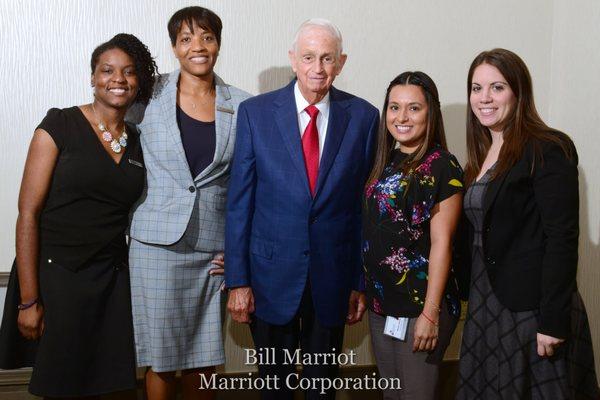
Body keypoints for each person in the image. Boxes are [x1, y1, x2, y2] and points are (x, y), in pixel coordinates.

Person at [224, 18, 379, 400]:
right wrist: (238, 280)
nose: (318, 68)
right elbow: (240, 203)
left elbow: (362, 208)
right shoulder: (255, 114)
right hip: (268, 278)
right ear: (293, 60)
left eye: (328, 58)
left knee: (321, 389)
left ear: (341, 63)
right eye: (308, 57)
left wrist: (358, 282)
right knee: (273, 387)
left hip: (332, 279)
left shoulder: (363, 118)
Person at [0, 34, 157, 397]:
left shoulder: (137, 138)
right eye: (107, 70)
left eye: (129, 72)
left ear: (138, 81)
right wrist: (28, 299)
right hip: (59, 276)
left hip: (112, 279)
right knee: (63, 385)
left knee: (114, 387)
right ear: (92, 77)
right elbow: (28, 213)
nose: (118, 79)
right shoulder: (60, 124)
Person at [455, 48, 599, 399]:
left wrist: (553, 321)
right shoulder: (479, 157)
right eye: (476, 88)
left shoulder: (548, 147)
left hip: (532, 312)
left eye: (497, 87)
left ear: (519, 93)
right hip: (485, 307)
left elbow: (562, 238)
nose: (484, 98)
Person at [126, 6, 251, 400]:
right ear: (175, 48)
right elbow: (109, 142)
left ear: (218, 44)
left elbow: (248, 185)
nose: (198, 47)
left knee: (204, 356)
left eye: (207, 37)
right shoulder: (148, 94)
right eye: (186, 39)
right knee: (161, 357)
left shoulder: (245, 106)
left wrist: (239, 252)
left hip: (214, 250)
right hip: (156, 247)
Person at [363, 72, 463, 400]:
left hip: (421, 307)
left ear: (430, 113)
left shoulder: (442, 166)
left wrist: (430, 313)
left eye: (413, 108)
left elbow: (442, 244)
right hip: (382, 305)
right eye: (394, 107)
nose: (401, 117)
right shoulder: (386, 162)